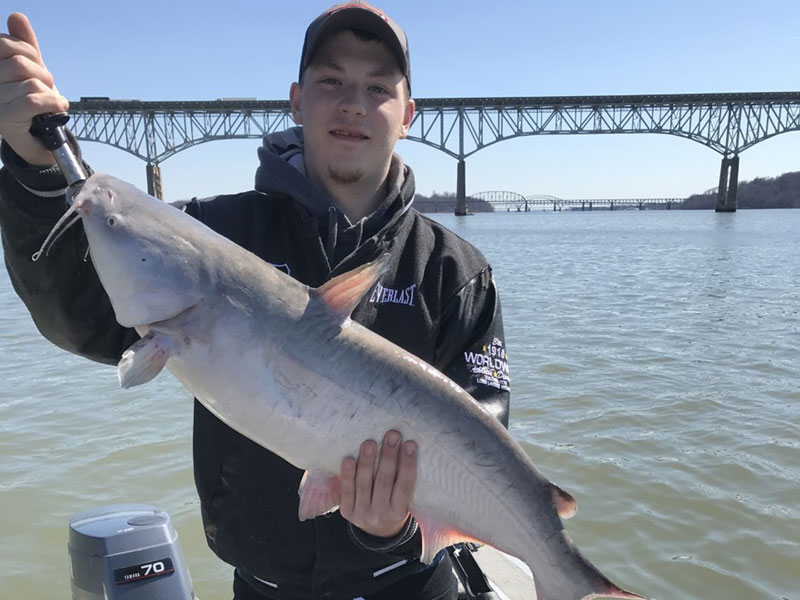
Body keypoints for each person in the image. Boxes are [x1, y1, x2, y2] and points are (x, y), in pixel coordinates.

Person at [0, 3, 511, 599]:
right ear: (296, 100)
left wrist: (394, 531)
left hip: (413, 583)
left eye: (377, 87)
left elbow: (486, 451)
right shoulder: (214, 237)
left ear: (408, 116)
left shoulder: (456, 272)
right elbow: (83, 315)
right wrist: (35, 168)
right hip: (263, 584)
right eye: (331, 81)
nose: (352, 102)